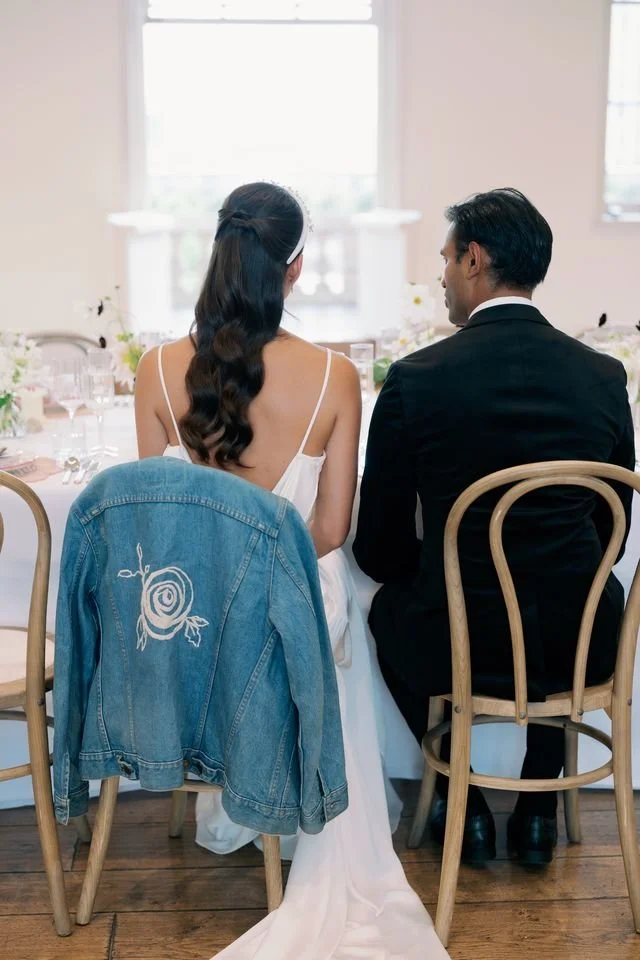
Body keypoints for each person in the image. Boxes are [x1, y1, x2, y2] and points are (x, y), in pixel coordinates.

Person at [135, 181, 449, 959]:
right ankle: (303, 792)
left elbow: (159, 522)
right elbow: (333, 529)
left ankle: (236, 780)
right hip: (291, 612)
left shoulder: (154, 369)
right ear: (297, 267)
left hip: (191, 620)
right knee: (330, 603)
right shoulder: (337, 376)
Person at [353, 187, 635, 866]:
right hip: (587, 642)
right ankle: (539, 798)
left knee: (389, 607)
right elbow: (612, 531)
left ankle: (460, 797)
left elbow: (378, 547)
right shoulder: (603, 376)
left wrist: (443, 567)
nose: (442, 275)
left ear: (475, 260)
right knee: (574, 591)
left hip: (462, 644)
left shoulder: (416, 379)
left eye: (447, 259)